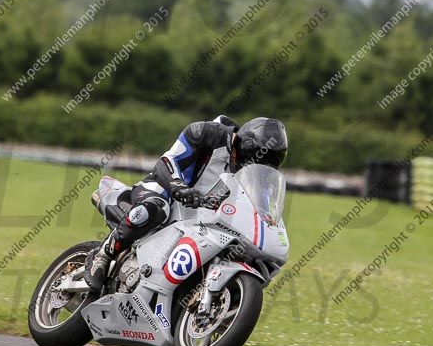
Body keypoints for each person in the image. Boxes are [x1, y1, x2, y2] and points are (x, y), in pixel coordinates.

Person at [84, 116, 288, 292]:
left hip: (200, 216)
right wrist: (179, 188)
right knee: (154, 207)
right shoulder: (205, 133)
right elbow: (167, 161)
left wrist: (266, 219)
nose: (246, 167)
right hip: (165, 190)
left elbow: (257, 207)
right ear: (242, 146)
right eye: (248, 162)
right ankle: (102, 255)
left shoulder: (253, 173)